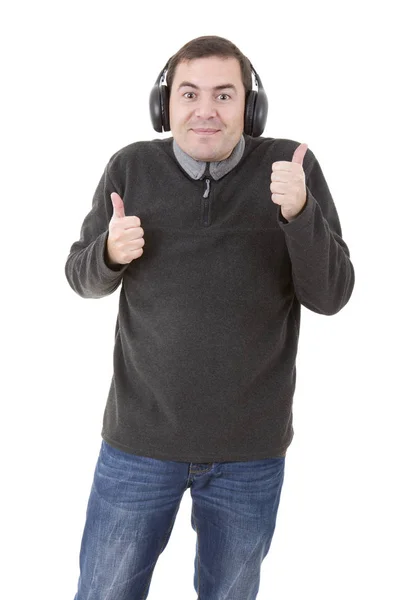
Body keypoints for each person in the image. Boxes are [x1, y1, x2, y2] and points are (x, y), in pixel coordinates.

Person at [65, 35, 355, 600]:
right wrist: (107, 253)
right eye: (189, 93)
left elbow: (332, 294)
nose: (205, 110)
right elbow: (78, 274)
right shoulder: (129, 168)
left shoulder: (292, 168)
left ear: (250, 107)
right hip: (138, 444)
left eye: (225, 95)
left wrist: (299, 214)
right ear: (163, 105)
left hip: (249, 453)